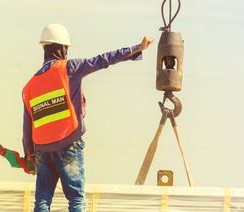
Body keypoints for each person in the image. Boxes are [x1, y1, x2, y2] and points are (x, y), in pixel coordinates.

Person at [22, 23, 154, 212]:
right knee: (76, 199)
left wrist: (29, 154)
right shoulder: (69, 68)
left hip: (42, 149)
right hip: (69, 144)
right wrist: (136, 49)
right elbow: (103, 60)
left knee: (42, 201)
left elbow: (27, 126)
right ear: (63, 48)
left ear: (44, 48)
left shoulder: (29, 87)